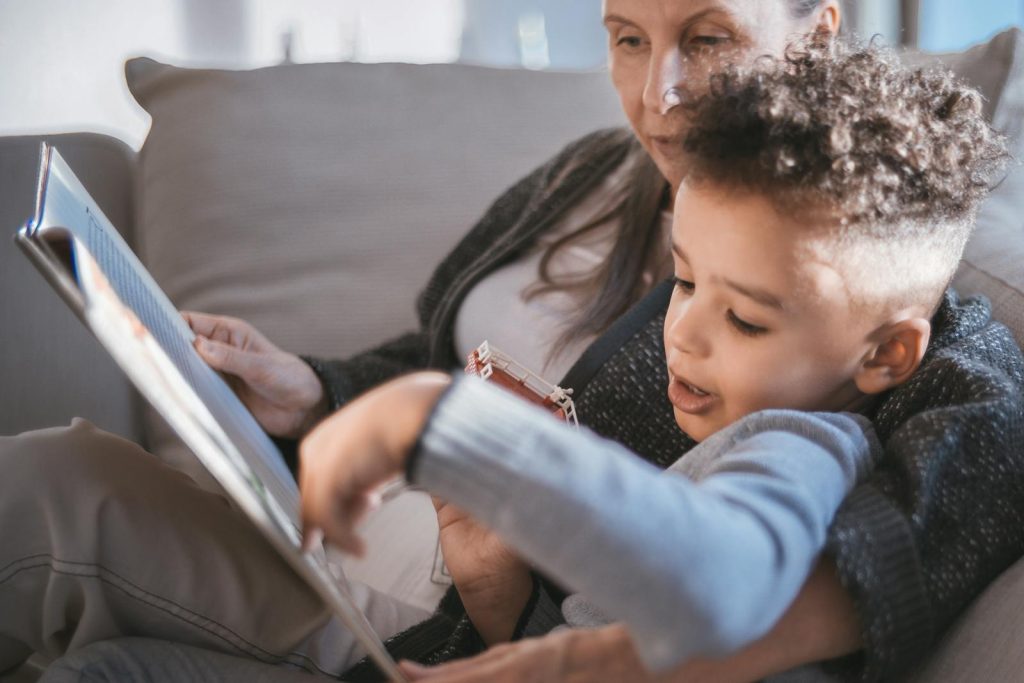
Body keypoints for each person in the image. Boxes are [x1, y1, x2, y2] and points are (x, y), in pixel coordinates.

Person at [1, 0, 1022, 681]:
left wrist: (444, 434)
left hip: (427, 573)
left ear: (814, 36)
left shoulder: (828, 387)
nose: (656, 93)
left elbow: (764, 557)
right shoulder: (600, 177)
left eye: (706, 38)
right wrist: (311, 389)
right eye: (626, 36)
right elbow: (433, 347)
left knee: (54, 490)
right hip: (406, 517)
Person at [297, 37, 1013, 680]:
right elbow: (611, 641)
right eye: (686, 282)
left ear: (887, 355)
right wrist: (503, 603)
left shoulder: (804, 443)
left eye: (744, 318)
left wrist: (440, 419)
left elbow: (720, 583)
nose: (684, 334)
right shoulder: (732, 436)